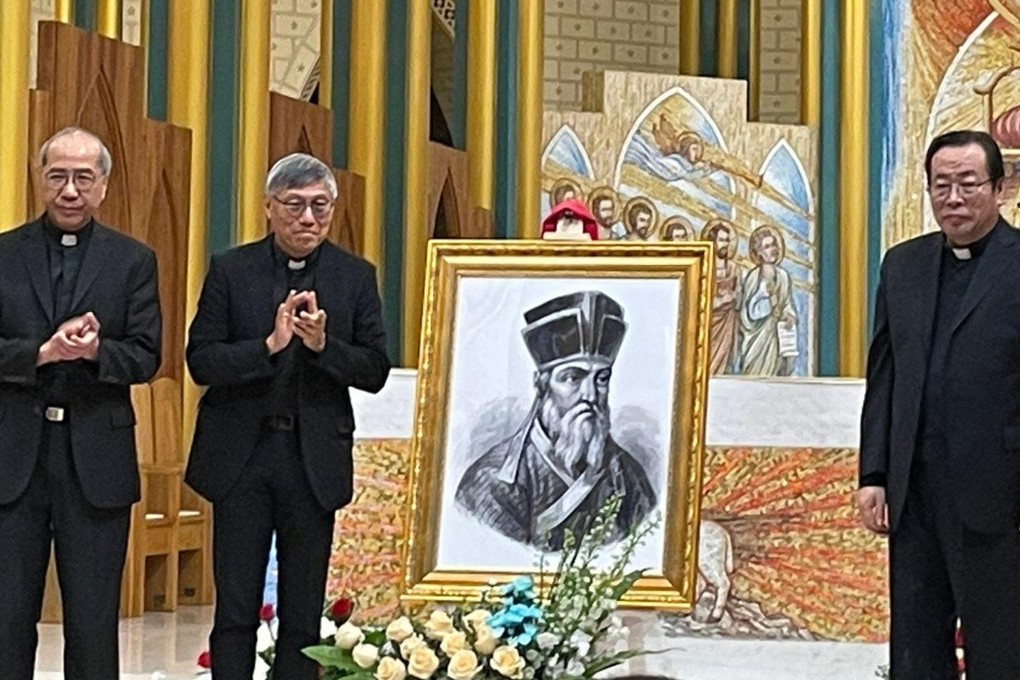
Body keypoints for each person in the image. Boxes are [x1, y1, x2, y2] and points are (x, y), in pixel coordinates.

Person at [185, 153, 390, 680]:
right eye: (294, 205)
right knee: (236, 609)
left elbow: (374, 369)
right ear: (269, 208)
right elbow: (201, 360)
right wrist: (268, 347)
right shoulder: (231, 270)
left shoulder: (355, 276)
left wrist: (323, 346)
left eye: (320, 206)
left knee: (302, 613)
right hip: (243, 458)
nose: (308, 218)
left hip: (311, 460)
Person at [0, 127, 162, 679]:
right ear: (40, 179)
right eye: (58, 176)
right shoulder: (4, 254)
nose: (70, 190)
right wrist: (41, 353)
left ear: (104, 185)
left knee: (93, 623)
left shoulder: (133, 260)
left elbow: (147, 356)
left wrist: (96, 352)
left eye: (83, 178)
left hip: (96, 460)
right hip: (14, 458)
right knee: (6, 617)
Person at [859, 129, 1020, 678]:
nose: (953, 198)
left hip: (999, 492)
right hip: (914, 493)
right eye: (941, 185)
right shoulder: (902, 266)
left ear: (998, 188)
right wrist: (874, 473)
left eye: (968, 184)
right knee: (916, 645)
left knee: (1000, 646)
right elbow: (884, 376)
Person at [455, 291, 656, 551]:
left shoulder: (629, 476)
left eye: (601, 378)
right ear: (542, 385)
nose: (590, 395)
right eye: (573, 378)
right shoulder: (492, 482)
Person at [739, 225, 796, 376]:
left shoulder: (783, 276)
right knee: (756, 373)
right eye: (766, 247)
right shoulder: (753, 277)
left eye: (773, 245)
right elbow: (749, 312)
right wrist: (768, 302)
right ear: (758, 252)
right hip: (758, 336)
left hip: (777, 336)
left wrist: (789, 316)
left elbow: (787, 303)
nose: (772, 250)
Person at [702, 219, 743, 374]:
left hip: (728, 322)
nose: (725, 244)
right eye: (721, 240)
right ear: (712, 242)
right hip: (709, 321)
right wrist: (719, 301)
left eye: (727, 240)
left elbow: (739, 293)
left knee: (725, 361)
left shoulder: (733, 268)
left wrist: (734, 296)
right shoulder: (704, 266)